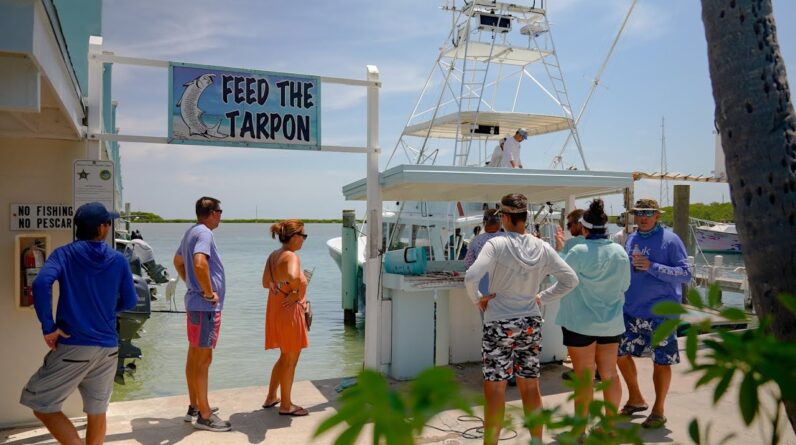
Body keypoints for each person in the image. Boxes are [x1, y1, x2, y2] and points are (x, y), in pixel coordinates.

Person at [464, 193, 578, 444]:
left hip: (499, 323)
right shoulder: (542, 246)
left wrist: (478, 300)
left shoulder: (496, 244)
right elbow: (570, 280)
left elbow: (471, 277)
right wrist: (542, 297)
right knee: (530, 386)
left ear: (504, 216)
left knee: (495, 389)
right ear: (525, 216)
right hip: (530, 323)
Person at [20, 202, 137, 445]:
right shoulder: (118, 259)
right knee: (97, 412)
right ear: (102, 228)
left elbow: (41, 284)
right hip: (108, 348)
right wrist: (106, 311)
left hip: (74, 346)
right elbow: (130, 300)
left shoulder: (64, 254)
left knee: (41, 404)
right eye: (108, 223)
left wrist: (48, 327)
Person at [556, 199, 630, 432]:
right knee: (610, 374)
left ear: (584, 229)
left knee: (584, 378)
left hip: (580, 324)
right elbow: (625, 285)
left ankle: (579, 431)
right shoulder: (620, 251)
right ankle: (609, 426)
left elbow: (562, 281)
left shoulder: (577, 250)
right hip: (611, 325)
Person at [617, 198, 691, 429]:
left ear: (657, 215)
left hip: (662, 313)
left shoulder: (671, 240)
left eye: (648, 212)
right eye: (639, 212)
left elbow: (685, 274)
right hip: (631, 310)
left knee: (661, 361)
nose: (643, 216)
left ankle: (659, 411)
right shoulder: (631, 238)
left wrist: (653, 266)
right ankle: (636, 398)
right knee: (619, 353)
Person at [173, 197, 230, 431]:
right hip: (205, 308)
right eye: (220, 211)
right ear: (212, 213)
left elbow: (177, 262)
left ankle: (195, 405)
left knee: (194, 357)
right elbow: (199, 263)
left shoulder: (191, 231)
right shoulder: (205, 233)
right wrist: (207, 292)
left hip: (195, 305)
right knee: (204, 360)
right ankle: (205, 416)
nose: (221, 216)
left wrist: (193, 286)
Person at [262, 219, 310, 416]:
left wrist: (280, 286)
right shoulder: (291, 256)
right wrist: (295, 292)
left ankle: (272, 396)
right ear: (293, 237)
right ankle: (286, 405)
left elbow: (265, 282)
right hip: (289, 312)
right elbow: (293, 276)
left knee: (284, 356)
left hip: (276, 309)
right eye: (303, 236)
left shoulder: (274, 255)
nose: (304, 240)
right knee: (290, 360)